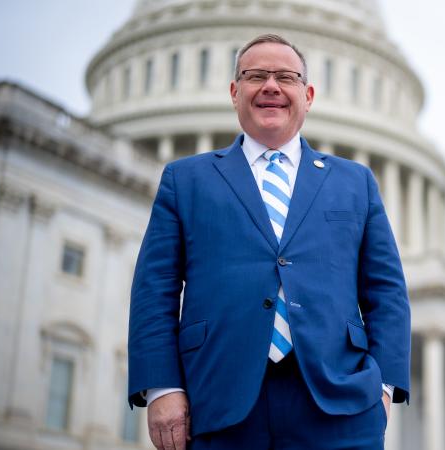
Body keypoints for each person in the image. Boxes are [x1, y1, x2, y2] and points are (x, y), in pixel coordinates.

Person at [127, 34, 410, 450]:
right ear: (234, 91)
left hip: (339, 404)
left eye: (286, 77)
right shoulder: (185, 179)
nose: (271, 86)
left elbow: (386, 291)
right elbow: (155, 290)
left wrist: (382, 387)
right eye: (255, 75)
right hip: (218, 400)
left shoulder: (355, 182)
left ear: (308, 94)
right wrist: (161, 387)